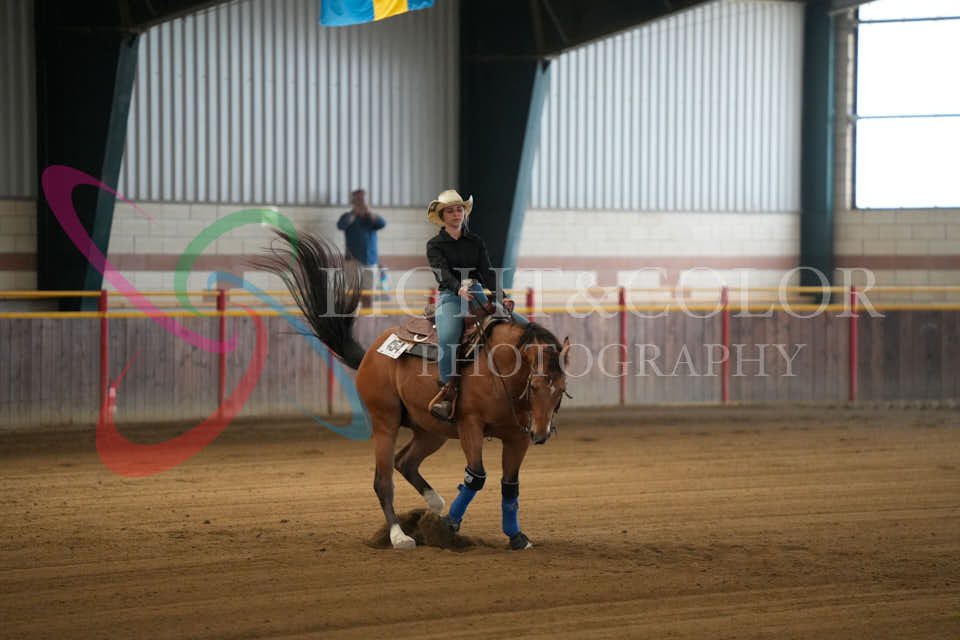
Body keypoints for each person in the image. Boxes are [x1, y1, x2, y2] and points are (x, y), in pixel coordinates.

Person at [425, 189, 528, 420]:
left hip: (477, 293)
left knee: (523, 325)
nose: (456, 214)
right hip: (451, 296)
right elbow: (441, 272)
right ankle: (447, 393)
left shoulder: (475, 242)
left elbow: (487, 272)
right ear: (442, 217)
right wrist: (457, 288)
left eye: (459, 210)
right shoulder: (435, 245)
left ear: (464, 213)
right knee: (448, 338)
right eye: (450, 211)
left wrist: (502, 296)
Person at [337, 189, 386, 308]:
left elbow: (382, 224)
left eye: (362, 200)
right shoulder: (348, 216)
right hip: (352, 261)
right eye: (357, 200)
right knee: (353, 294)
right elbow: (340, 225)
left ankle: (367, 317)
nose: (360, 202)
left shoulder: (371, 218)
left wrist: (368, 212)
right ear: (353, 202)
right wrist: (354, 213)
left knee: (369, 294)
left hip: (370, 260)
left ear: (367, 201)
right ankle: (352, 317)